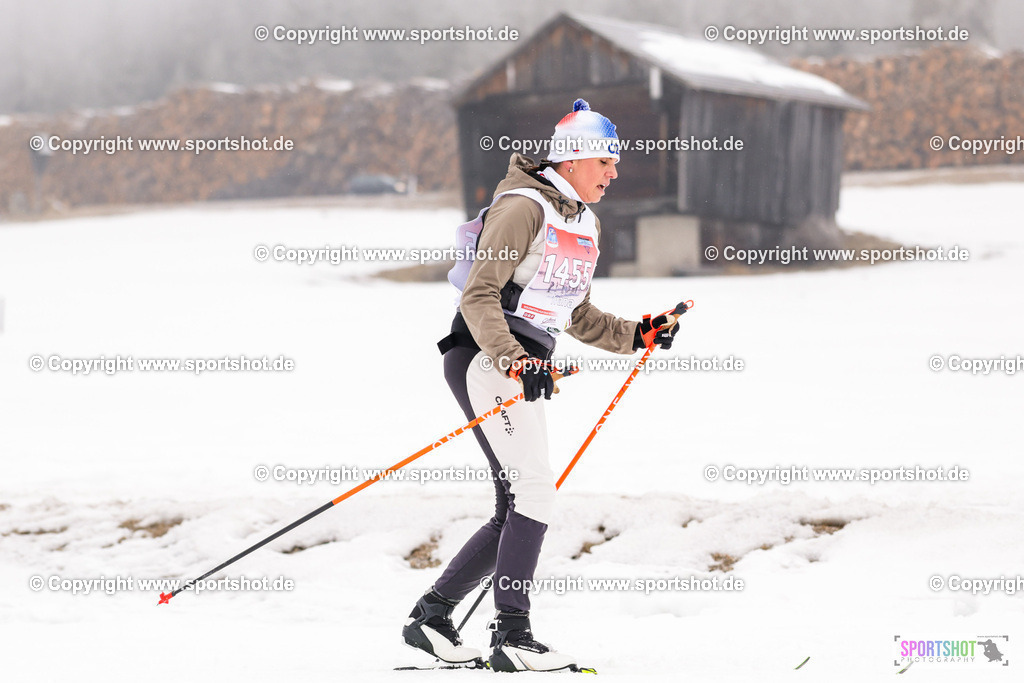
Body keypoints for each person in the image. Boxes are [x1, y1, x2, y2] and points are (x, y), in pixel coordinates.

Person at [403, 99, 684, 672]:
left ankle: (432, 618)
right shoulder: (522, 208)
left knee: (518, 498)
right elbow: (479, 294)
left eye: (615, 162)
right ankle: (512, 635)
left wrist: (639, 333)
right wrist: (514, 360)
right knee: (533, 493)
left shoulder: (584, 221)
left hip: (519, 368)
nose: (613, 172)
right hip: (486, 359)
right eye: (605, 160)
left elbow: (575, 315)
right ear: (575, 157)